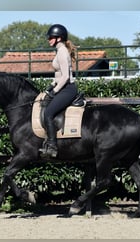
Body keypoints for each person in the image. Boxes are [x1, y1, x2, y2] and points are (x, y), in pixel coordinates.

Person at [39, 24, 78, 158]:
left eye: (51, 37)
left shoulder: (62, 52)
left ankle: (52, 146)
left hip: (67, 89)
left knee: (48, 113)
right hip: (62, 87)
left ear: (59, 38)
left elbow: (66, 76)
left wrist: (54, 91)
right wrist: (50, 86)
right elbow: (59, 75)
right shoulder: (59, 50)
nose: (48, 39)